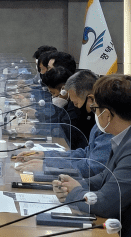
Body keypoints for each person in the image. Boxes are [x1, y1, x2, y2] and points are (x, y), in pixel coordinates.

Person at [53, 75, 131, 237]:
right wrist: (74, 185)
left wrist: (74, 193)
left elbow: (106, 204)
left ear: (107, 115)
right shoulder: (122, 138)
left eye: (96, 109)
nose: (94, 113)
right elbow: (105, 177)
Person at [16, 70, 111, 177]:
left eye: (76, 103)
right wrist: (45, 155)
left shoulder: (108, 124)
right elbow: (85, 153)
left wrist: (47, 165)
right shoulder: (99, 121)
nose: (75, 107)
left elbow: (92, 167)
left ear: (90, 99)